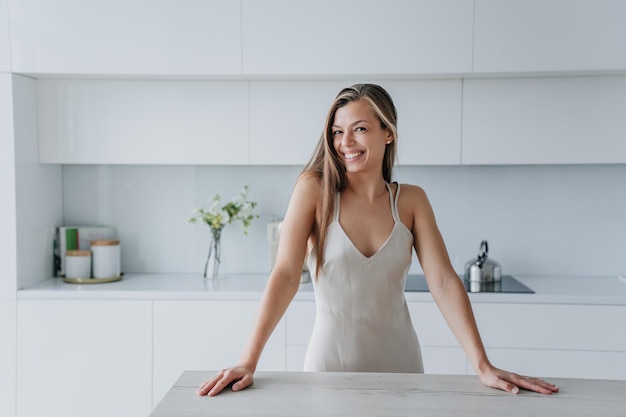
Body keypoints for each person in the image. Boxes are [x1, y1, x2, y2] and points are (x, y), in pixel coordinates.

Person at [197, 83, 559, 397]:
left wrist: (482, 364)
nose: (345, 143)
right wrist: (248, 360)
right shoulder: (315, 191)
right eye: (337, 132)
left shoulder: (412, 200)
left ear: (388, 133)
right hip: (328, 370)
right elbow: (286, 275)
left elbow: (444, 281)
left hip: (402, 369)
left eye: (359, 129)